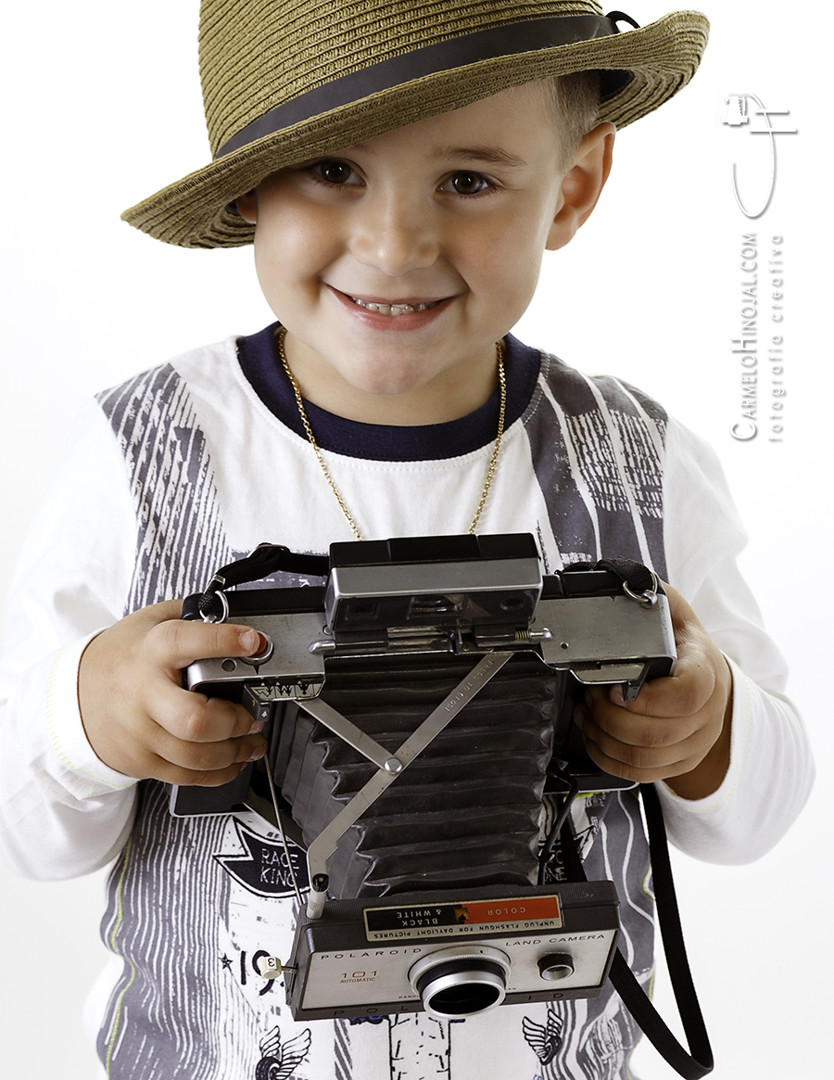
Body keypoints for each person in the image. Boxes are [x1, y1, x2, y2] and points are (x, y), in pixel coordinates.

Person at [0, 2, 813, 1078]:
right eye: (333, 172)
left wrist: (707, 723)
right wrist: (87, 713)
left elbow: (759, 814)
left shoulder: (635, 463)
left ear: (573, 186)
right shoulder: (141, 453)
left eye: (469, 181)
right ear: (251, 184)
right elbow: (29, 832)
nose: (395, 244)